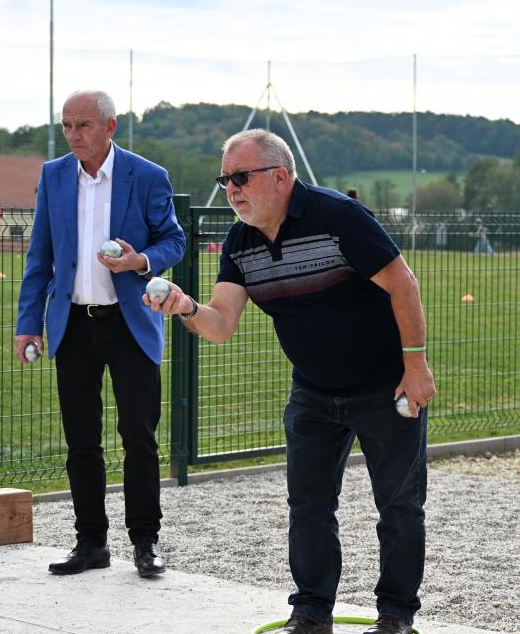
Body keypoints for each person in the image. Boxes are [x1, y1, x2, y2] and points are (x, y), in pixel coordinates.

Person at [148, 129, 435, 634]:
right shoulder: (240, 242)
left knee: (399, 506)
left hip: (384, 385)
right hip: (313, 392)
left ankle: (395, 616)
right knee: (308, 507)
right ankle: (311, 613)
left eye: (241, 177)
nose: (231, 189)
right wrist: (185, 306)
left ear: (280, 176)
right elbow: (221, 324)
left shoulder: (338, 216)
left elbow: (403, 283)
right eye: (224, 179)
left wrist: (415, 365)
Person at [14, 90, 185, 578]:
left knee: (139, 436)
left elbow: (174, 240)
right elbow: (40, 257)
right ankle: (91, 543)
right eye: (67, 125)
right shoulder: (54, 174)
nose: (73, 135)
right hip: (72, 325)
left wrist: (140, 261)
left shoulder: (146, 175)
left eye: (84, 125)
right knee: (81, 440)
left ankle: (145, 542)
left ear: (110, 127)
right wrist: (28, 324)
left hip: (130, 325)